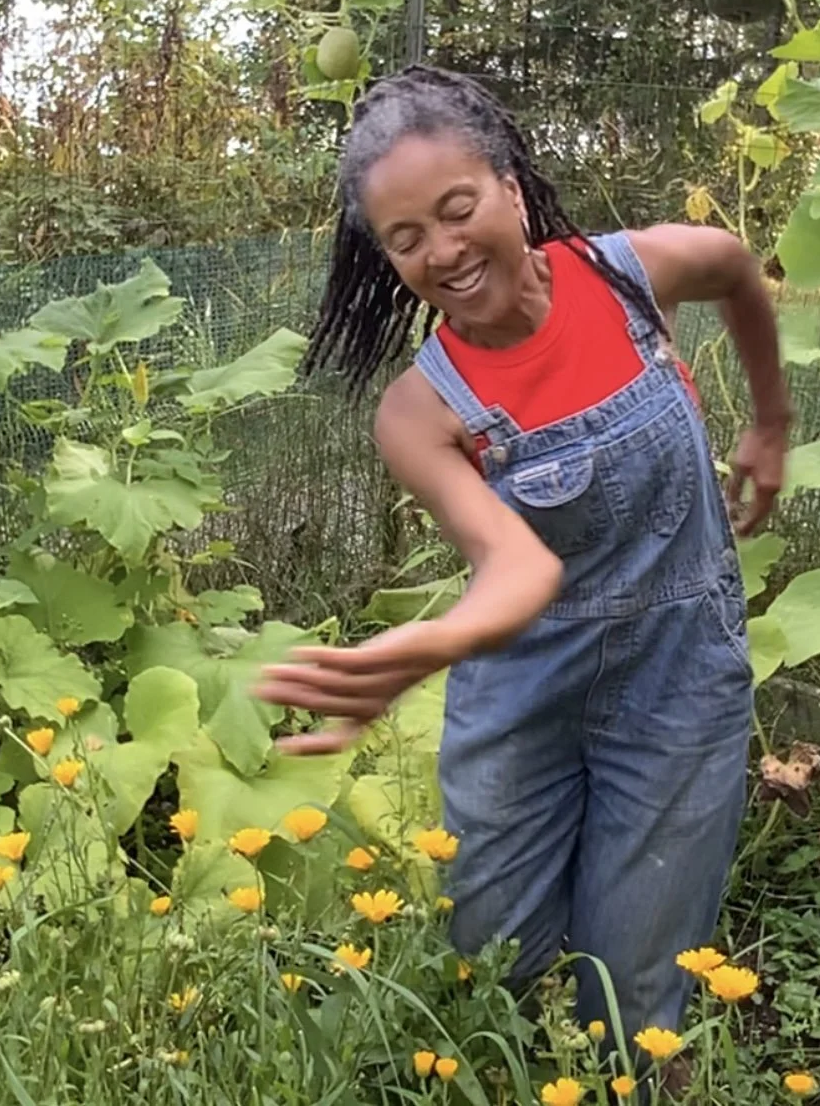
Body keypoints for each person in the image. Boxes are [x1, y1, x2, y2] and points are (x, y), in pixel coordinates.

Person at [256, 65, 790, 1062]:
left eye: (458, 209)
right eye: (406, 239)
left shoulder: (632, 275)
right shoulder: (421, 411)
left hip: (678, 681)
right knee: (486, 954)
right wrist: (431, 644)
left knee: (635, 992)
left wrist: (771, 421)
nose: (443, 250)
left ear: (509, 184)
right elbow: (518, 569)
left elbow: (734, 264)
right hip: (521, 693)